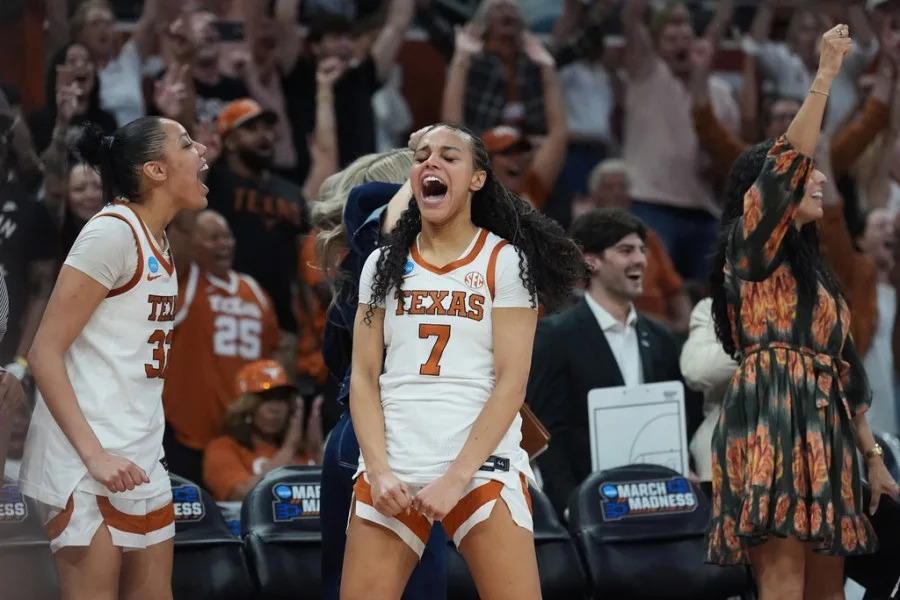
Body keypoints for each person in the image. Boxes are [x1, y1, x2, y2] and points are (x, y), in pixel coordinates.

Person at [342, 123, 585, 599]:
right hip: (394, 459)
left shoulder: (505, 262)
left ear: (477, 179)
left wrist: (455, 478)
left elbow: (512, 384)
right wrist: (379, 469)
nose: (430, 163)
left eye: (449, 157)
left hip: (480, 465)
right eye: (422, 156)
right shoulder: (382, 264)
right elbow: (365, 378)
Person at [707, 25, 900, 599]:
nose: (819, 178)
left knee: (829, 591)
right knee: (783, 585)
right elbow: (791, 158)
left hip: (828, 428)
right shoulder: (750, 251)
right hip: (769, 415)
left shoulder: (820, 280)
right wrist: (825, 76)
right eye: (807, 173)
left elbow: (850, 375)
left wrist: (875, 459)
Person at [17, 117, 208, 599]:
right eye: (185, 143)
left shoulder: (157, 239)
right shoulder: (112, 233)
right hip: (83, 460)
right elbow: (44, 353)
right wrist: (95, 455)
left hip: (139, 451)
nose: (201, 149)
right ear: (155, 170)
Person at [313, 148, 453, 600]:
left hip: (354, 432)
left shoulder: (363, 266)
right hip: (390, 439)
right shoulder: (402, 258)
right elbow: (365, 199)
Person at [162, 210, 280, 485]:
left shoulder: (255, 290)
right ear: (193, 242)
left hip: (239, 435)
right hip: (186, 433)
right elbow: (177, 230)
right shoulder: (183, 282)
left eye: (227, 236)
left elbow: (274, 354)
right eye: (213, 238)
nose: (224, 244)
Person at [203, 359, 322, 501]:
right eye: (266, 399)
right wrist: (289, 448)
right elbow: (243, 495)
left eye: (282, 399)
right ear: (245, 406)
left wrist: (317, 451)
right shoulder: (223, 448)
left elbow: (334, 495)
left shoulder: (303, 449)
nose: (275, 408)